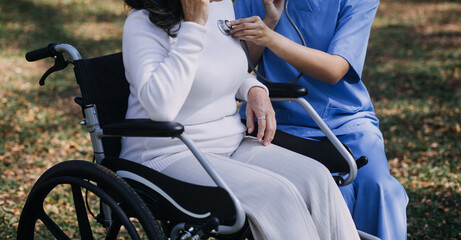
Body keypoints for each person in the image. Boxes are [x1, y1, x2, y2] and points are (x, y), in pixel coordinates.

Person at [120, 0, 360, 239]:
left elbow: (224, 69)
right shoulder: (143, 23)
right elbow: (160, 108)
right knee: (277, 193)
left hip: (229, 142)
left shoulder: (220, 7)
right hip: (167, 153)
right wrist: (193, 28)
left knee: (316, 177)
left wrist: (254, 89)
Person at [230, 0, 409, 239]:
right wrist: (270, 21)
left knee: (379, 189)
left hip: (346, 119)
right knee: (331, 196)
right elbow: (237, 66)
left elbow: (335, 69)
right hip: (279, 121)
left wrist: (270, 36)